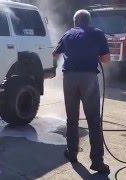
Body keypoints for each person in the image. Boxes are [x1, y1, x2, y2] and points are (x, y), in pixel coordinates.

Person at [52, 9, 111, 174]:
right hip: (89, 79)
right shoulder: (98, 33)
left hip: (69, 79)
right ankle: (97, 162)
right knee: (93, 120)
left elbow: (54, 55)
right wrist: (93, 55)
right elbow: (106, 60)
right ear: (89, 21)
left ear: (75, 21)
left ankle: (72, 154)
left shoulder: (68, 34)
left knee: (72, 118)